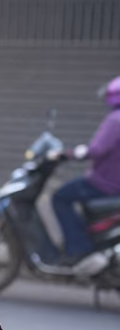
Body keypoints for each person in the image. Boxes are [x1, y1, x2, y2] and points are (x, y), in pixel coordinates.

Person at [51, 76, 120, 263]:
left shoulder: (115, 120)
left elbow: (97, 150)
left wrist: (70, 154)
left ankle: (78, 248)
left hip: (106, 183)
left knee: (60, 197)